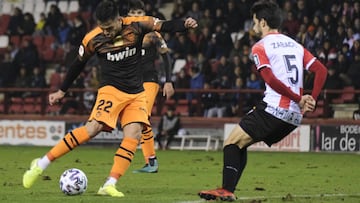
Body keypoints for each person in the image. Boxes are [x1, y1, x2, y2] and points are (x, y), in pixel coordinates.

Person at [22, 0, 197, 197]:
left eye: (109, 27)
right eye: (102, 28)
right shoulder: (93, 38)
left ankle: (109, 184)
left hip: (136, 92)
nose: (106, 32)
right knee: (93, 129)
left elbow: (164, 25)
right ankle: (41, 164)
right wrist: (62, 90)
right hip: (111, 90)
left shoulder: (137, 24)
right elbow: (77, 65)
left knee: (134, 134)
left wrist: (184, 24)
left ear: (119, 20)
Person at [198, 1, 327, 201]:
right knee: (240, 143)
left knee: (231, 143)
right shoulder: (296, 45)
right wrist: (312, 99)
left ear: (263, 22)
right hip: (294, 117)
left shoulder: (260, 47)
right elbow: (321, 70)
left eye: (255, 21)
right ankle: (227, 189)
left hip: (275, 109)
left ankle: (227, 189)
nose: (254, 26)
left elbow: (270, 79)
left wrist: (298, 98)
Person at [127, 0, 175, 174]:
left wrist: (168, 80)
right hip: (130, 82)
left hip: (149, 80)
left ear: (144, 14)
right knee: (140, 120)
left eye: (139, 13)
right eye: (132, 13)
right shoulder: (122, 33)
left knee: (141, 116)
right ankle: (151, 161)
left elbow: (166, 57)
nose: (136, 16)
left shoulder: (152, 33)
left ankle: (149, 161)